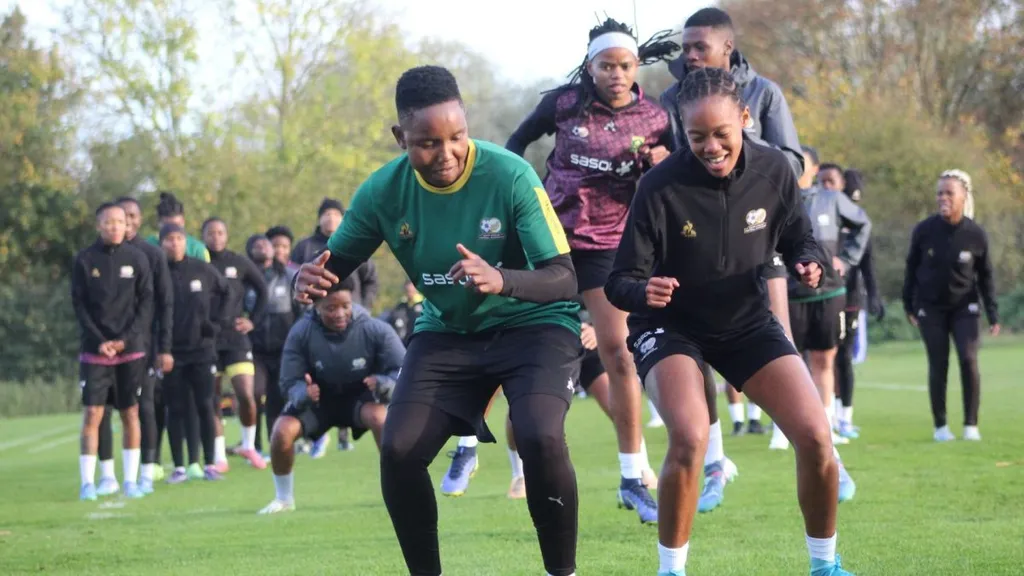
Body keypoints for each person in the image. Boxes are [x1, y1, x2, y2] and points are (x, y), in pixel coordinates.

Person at [295, 65, 582, 576]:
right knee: (399, 449)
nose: (446, 153)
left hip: (535, 324)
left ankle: (563, 572)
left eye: (456, 137)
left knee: (539, 433)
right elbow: (332, 265)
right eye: (428, 143)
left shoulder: (509, 174)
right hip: (450, 331)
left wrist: (501, 278)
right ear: (400, 137)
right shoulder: (383, 192)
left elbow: (563, 278)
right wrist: (307, 277)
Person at [605, 66, 854, 576]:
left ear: (744, 118)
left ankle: (825, 567)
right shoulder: (659, 186)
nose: (711, 147)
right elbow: (620, 281)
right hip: (670, 326)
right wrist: (643, 290)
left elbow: (799, 238)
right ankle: (671, 570)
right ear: (682, 130)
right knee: (690, 435)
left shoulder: (775, 171)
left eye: (721, 133)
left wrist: (809, 261)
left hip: (745, 323)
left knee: (815, 435)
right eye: (697, 136)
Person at [504, 17, 679, 524]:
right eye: (606, 66)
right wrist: (524, 196)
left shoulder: (655, 117)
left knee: (619, 353)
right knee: (523, 350)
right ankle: (488, 452)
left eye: (624, 65)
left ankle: (632, 475)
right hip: (550, 241)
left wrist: (663, 163)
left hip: (608, 247)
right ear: (591, 66)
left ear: (635, 66)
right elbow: (515, 145)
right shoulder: (562, 104)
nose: (616, 74)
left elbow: (678, 174)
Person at [658, 6, 805, 512]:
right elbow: (670, 169)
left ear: (727, 47)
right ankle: (717, 460)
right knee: (693, 353)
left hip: (760, 231)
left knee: (777, 335)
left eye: (700, 46)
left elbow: (794, 162)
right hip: (694, 242)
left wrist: (735, 147)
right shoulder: (670, 99)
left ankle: (814, 443)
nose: (691, 55)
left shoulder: (764, 92)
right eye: (685, 47)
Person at [259, 276, 403, 514]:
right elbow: (288, 381)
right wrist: (303, 392)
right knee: (281, 432)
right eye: (331, 308)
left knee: (382, 420)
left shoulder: (375, 329)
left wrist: (383, 383)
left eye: (345, 306)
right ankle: (283, 499)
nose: (339, 314)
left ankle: (399, 492)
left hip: (360, 398)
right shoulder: (301, 332)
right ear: (316, 307)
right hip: (319, 401)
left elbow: (403, 372)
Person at [902, 169, 999, 442]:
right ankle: (941, 427)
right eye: (939, 193)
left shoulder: (975, 234)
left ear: (963, 196)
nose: (943, 198)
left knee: (968, 359)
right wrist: (909, 304)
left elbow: (986, 276)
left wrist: (992, 313)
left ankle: (971, 425)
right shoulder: (924, 230)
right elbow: (911, 269)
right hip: (930, 308)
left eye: (949, 193)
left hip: (965, 307)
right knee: (938, 363)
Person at [71, 202, 154, 501]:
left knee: (131, 413)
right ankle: (88, 483)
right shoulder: (84, 259)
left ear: (127, 225)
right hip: (95, 351)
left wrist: (125, 340)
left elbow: (146, 303)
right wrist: (100, 341)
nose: (116, 226)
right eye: (109, 222)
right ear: (99, 225)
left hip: (130, 351)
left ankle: (130, 481)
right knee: (93, 414)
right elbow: (79, 305)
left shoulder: (138, 258)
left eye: (120, 221)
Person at [789, 161, 871, 452]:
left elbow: (863, 224)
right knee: (790, 363)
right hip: (789, 295)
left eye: (802, 161)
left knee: (825, 361)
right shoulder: (777, 197)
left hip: (828, 292)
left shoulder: (832, 199)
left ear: (812, 168)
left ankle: (825, 427)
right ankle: (785, 429)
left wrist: (846, 260)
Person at [292, 198, 379, 453]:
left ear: (343, 219)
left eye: (335, 214)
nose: (330, 219)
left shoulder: (356, 243)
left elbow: (371, 280)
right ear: (319, 218)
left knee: (352, 372)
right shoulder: (305, 247)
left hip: (352, 321)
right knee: (314, 373)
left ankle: (345, 432)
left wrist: (365, 306)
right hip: (315, 321)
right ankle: (313, 431)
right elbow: (293, 279)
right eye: (326, 214)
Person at [160, 223, 230, 482]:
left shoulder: (202, 269)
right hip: (171, 352)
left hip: (202, 350)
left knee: (205, 405)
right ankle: (179, 466)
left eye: (179, 238)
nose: (174, 243)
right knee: (176, 408)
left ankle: (210, 463)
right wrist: (160, 348)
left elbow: (227, 292)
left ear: (186, 241)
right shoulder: (158, 272)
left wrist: (216, 324)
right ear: (162, 243)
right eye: (169, 239)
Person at [201, 217, 268, 470]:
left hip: (236, 339)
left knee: (246, 395)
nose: (216, 237)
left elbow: (263, 291)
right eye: (211, 233)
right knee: (213, 398)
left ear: (226, 235)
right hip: (208, 340)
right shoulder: (199, 263)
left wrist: (253, 321)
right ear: (203, 236)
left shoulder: (238, 261)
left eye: (220, 232)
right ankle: (220, 457)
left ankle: (248, 445)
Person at [834, 170, 883, 437]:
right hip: (826, 296)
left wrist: (874, 295)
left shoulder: (861, 224)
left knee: (844, 358)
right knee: (823, 357)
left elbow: (868, 264)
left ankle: (845, 417)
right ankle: (827, 415)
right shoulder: (828, 219)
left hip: (851, 299)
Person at [246, 233, 300, 455]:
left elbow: (301, 311)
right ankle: (253, 445)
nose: (264, 248)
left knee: (277, 398)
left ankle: (274, 444)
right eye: (257, 245)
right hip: (254, 349)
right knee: (254, 393)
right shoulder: (244, 277)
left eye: (266, 244)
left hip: (282, 348)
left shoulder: (289, 275)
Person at [146, 192, 210, 262]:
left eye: (177, 225)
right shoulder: (148, 245)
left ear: (183, 222)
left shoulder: (197, 249)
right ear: (159, 223)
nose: (172, 230)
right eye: (167, 226)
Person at [383, 279, 424, 346]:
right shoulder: (401, 305)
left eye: (410, 291)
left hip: (419, 340)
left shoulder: (423, 304)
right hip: (404, 341)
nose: (409, 293)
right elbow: (392, 318)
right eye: (407, 291)